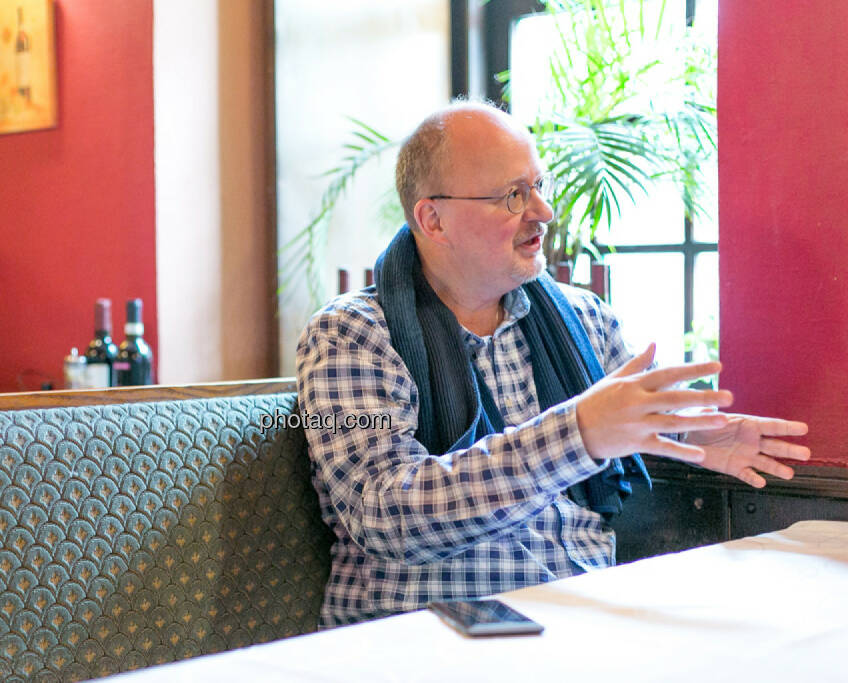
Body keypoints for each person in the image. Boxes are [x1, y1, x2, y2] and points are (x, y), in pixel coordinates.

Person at [295, 100, 810, 628]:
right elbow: (383, 517)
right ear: (434, 219)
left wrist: (693, 438)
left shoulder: (584, 318)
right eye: (514, 195)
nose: (542, 211)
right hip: (424, 638)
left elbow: (626, 430)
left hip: (584, 623)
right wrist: (576, 433)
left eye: (540, 186)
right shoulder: (349, 334)